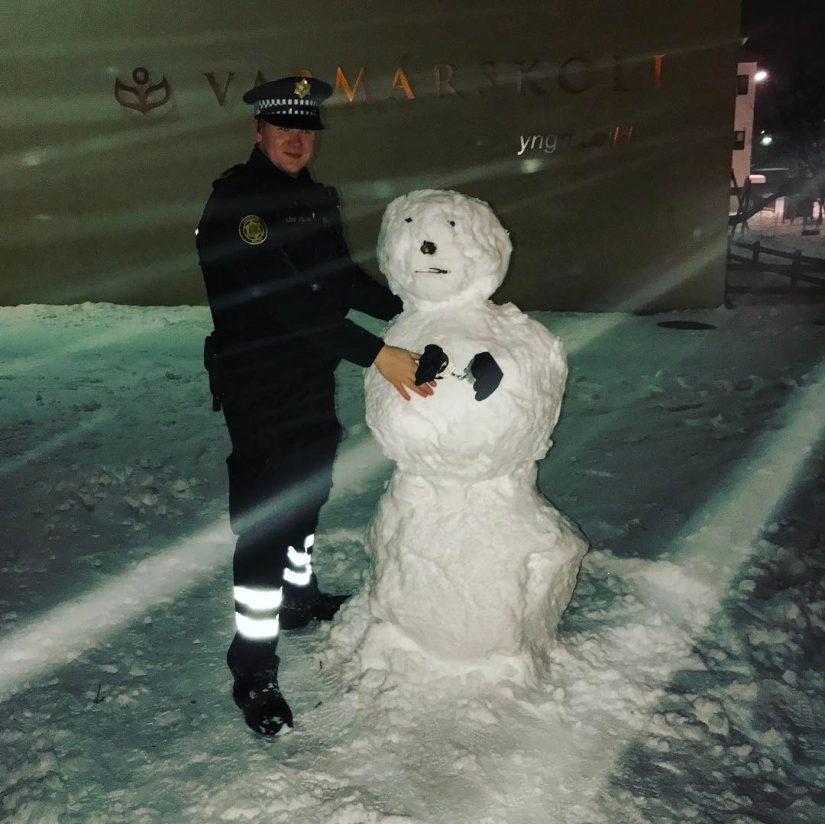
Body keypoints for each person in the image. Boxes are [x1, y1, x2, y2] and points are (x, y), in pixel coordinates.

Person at [195, 76, 434, 736]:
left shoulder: (312, 200)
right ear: (257, 132)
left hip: (307, 376)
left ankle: (297, 599)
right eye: (282, 128)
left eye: (306, 130)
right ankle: (251, 663)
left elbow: (340, 279)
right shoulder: (237, 206)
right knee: (267, 521)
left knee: (310, 490)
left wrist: (416, 312)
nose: (296, 139)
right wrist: (379, 353)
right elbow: (285, 299)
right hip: (257, 386)